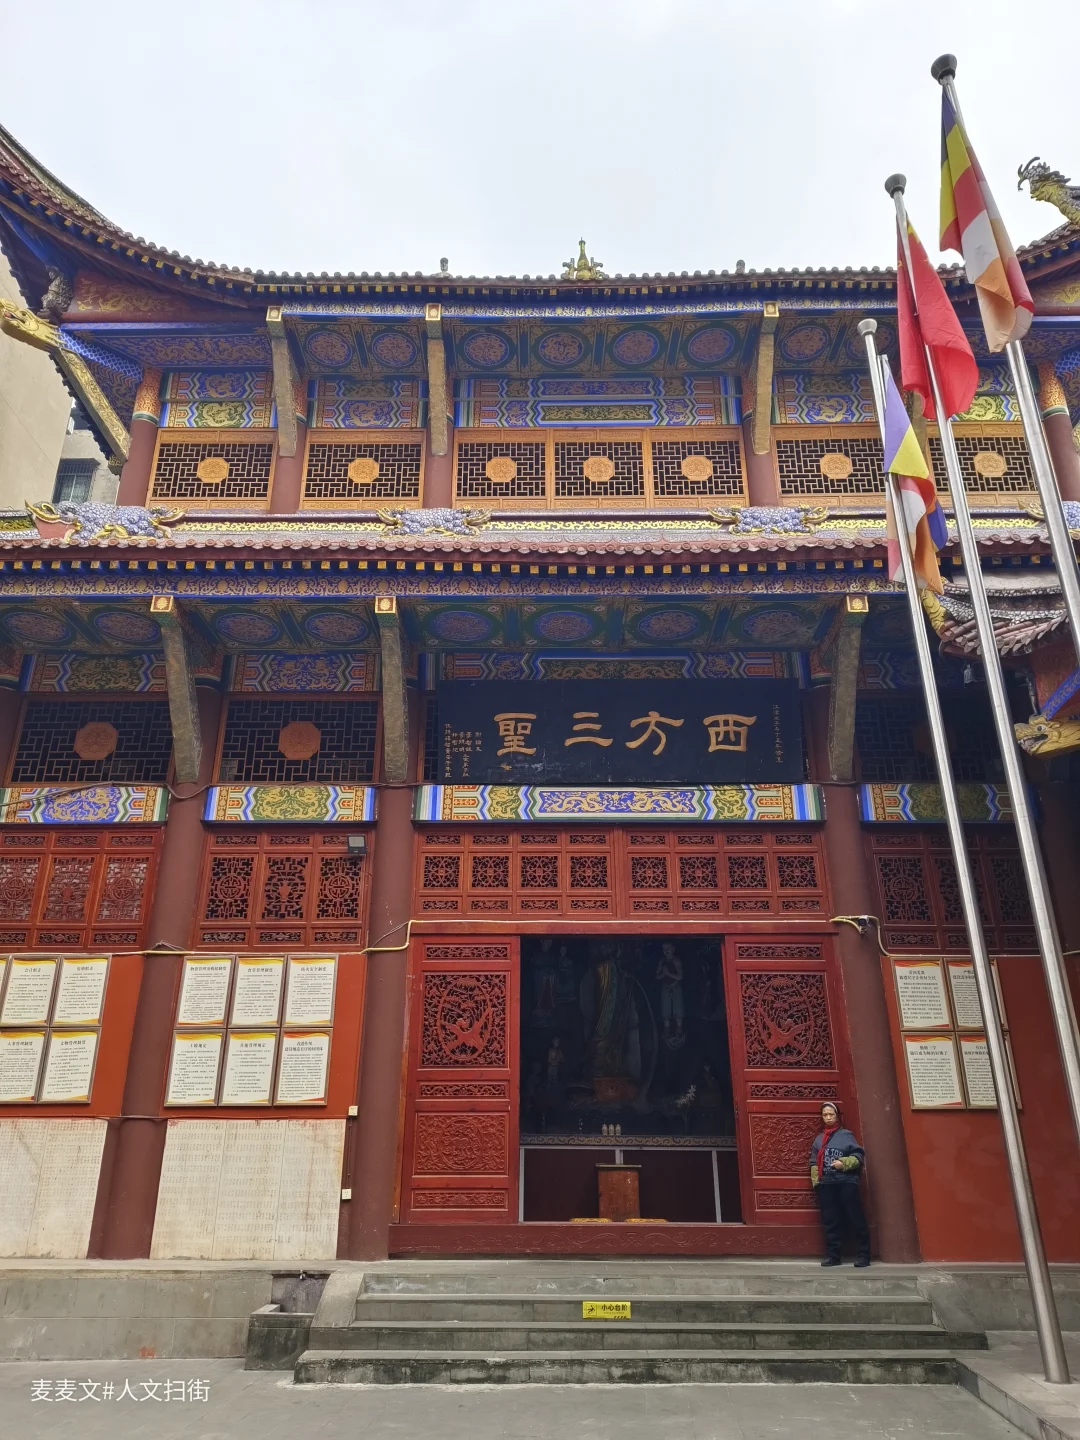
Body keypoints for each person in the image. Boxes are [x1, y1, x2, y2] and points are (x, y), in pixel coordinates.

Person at [809, 1101, 870, 1267]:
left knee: (855, 1217)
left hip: (846, 1182)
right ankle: (833, 1256)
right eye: (825, 1115)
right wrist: (817, 1182)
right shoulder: (819, 1139)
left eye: (831, 1114)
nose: (828, 1117)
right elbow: (813, 1162)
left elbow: (858, 1156)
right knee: (830, 1221)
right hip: (826, 1184)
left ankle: (863, 1255)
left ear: (837, 1116)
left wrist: (843, 1163)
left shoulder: (846, 1135)